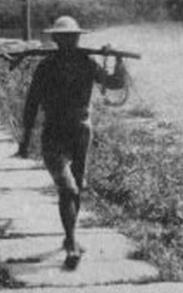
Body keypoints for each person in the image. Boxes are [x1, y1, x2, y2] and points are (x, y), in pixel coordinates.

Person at [17, 15, 127, 269]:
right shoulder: (46, 67)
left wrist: (116, 60)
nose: (70, 41)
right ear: (55, 39)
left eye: (73, 37)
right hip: (54, 134)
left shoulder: (88, 64)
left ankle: (70, 236)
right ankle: (72, 241)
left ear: (79, 38)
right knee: (68, 189)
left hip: (80, 132)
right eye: (64, 37)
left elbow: (115, 83)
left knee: (78, 186)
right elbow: (32, 104)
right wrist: (24, 140)